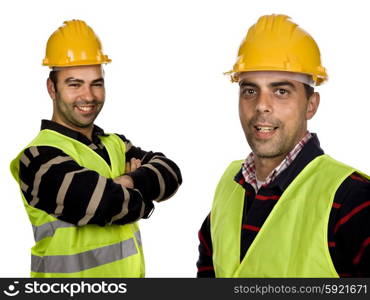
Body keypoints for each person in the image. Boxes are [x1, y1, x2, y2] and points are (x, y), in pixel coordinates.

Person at [197, 14, 370, 277]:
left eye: (281, 91)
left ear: (311, 105)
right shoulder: (229, 186)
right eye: (250, 90)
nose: (261, 106)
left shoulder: (352, 200)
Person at [10, 19, 182, 278]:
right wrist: (142, 195)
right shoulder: (37, 158)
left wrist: (123, 181)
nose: (88, 96)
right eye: (74, 84)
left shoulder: (115, 144)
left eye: (96, 83)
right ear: (51, 88)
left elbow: (171, 174)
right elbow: (101, 203)